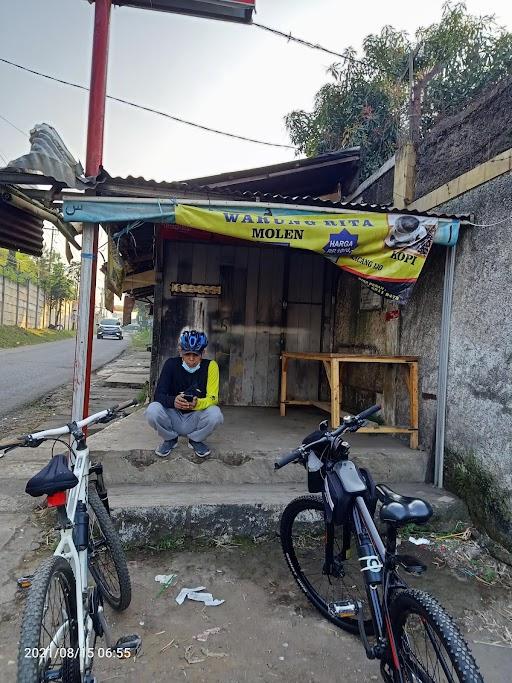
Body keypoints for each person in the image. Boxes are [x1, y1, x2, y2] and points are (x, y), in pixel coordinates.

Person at [145, 330, 223, 458]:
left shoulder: (211, 366)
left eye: (196, 355)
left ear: (203, 353)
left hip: (196, 416)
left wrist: (197, 403)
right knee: (152, 410)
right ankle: (170, 439)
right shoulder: (170, 364)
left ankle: (195, 440)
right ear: (180, 351)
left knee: (216, 414)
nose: (191, 359)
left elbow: (213, 398)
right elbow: (158, 395)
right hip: (173, 415)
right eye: (187, 354)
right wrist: (174, 401)